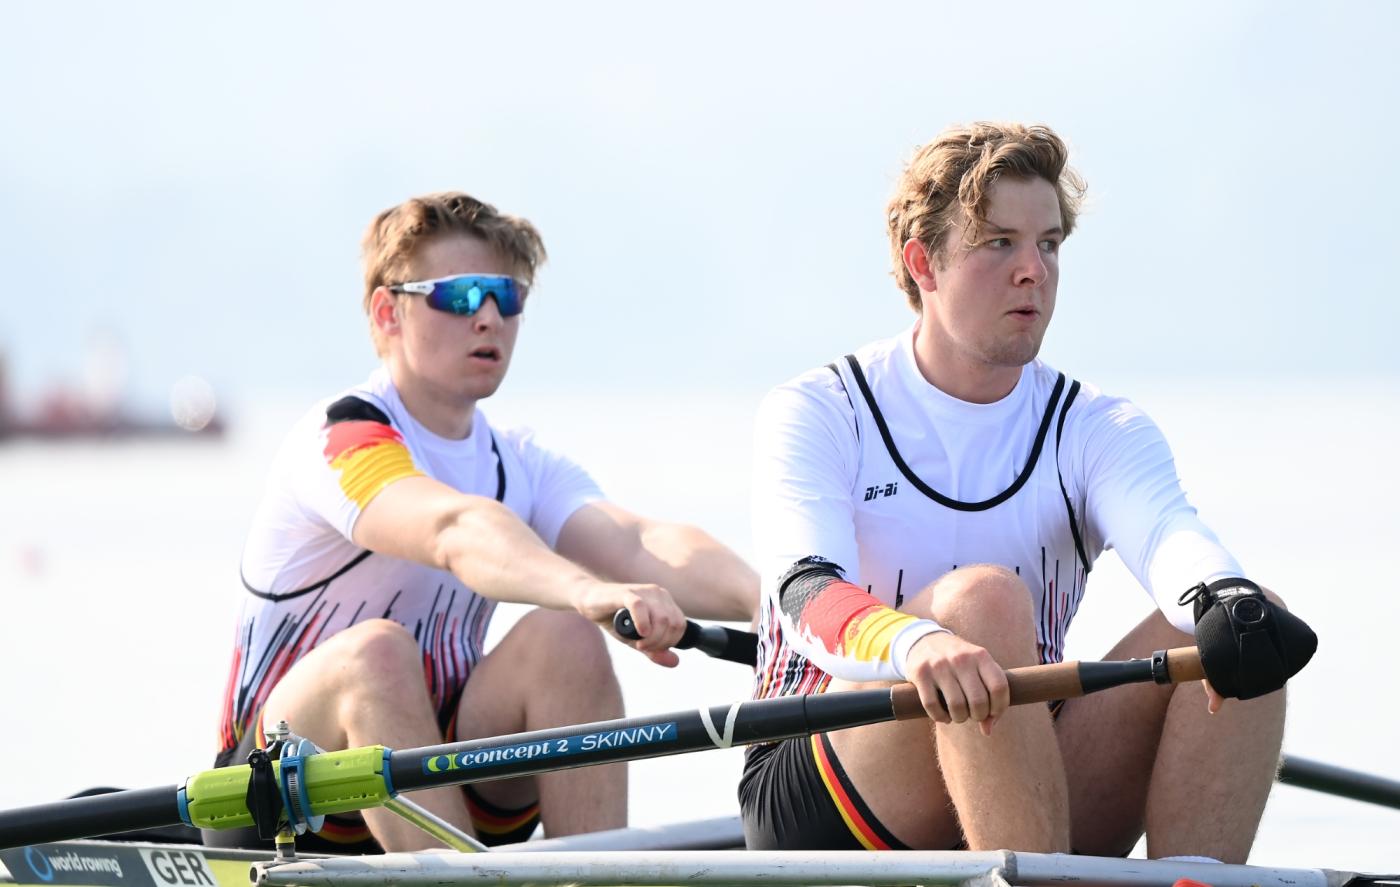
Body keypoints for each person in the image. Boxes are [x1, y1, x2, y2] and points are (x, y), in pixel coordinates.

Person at [740, 123, 1314, 862]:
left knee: (1242, 620)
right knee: (983, 601)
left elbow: (1171, 537)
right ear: (923, 263)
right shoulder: (820, 409)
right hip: (824, 779)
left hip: (1018, 756)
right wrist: (918, 642)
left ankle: (1192, 881)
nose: (1033, 272)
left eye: (1048, 244)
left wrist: (1225, 596)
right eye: (999, 243)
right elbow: (805, 592)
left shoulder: (1096, 425)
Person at [207, 192, 758, 852]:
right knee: (376, 654)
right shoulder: (339, 438)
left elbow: (641, 542)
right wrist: (586, 589)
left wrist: (788, 605)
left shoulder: (517, 460)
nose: (489, 316)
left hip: (436, 776)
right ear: (387, 312)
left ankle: (594, 873)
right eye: (461, 295)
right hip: (274, 795)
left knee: (566, 638)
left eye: (507, 295)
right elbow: (454, 531)